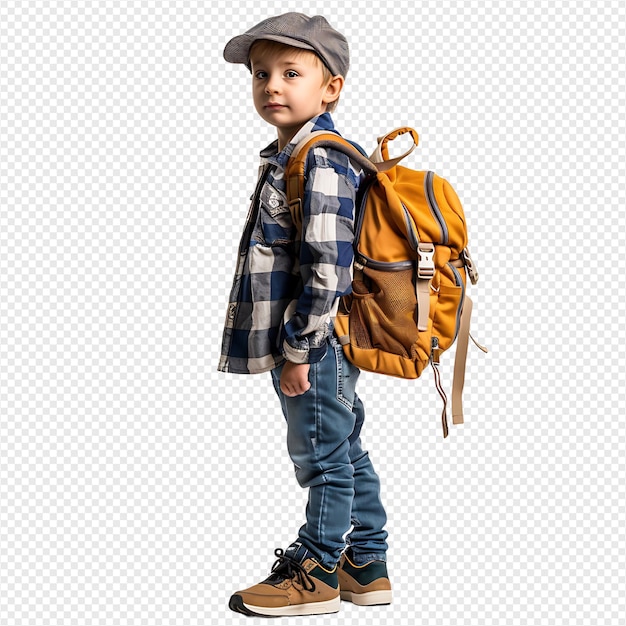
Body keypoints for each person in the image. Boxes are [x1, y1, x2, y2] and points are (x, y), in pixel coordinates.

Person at [218, 13, 391, 617]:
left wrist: (297, 351)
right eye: (261, 73)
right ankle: (366, 565)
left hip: (314, 342)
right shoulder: (294, 155)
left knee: (320, 455)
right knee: (344, 448)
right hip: (324, 339)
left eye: (291, 72)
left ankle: (316, 570)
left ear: (331, 87)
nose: (271, 85)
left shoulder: (317, 158)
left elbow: (327, 269)